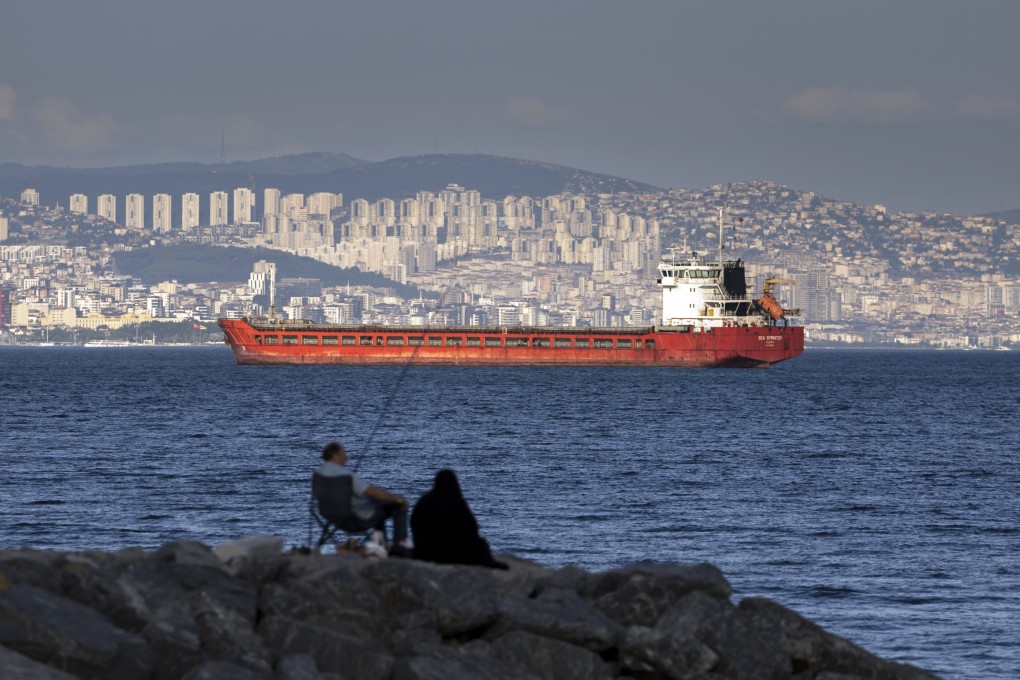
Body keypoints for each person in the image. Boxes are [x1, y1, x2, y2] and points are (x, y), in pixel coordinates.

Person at [317, 442, 411, 555]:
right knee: (399, 506)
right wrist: (396, 498)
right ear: (335, 456)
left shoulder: (318, 474)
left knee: (378, 505)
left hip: (332, 516)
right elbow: (372, 492)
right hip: (356, 519)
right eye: (343, 454)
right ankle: (400, 549)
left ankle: (380, 546)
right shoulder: (344, 475)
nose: (346, 457)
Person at [411, 469, 507, 569]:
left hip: (426, 552)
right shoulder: (456, 503)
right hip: (453, 552)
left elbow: (414, 523)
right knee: (481, 545)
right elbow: (472, 528)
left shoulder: (424, 502)